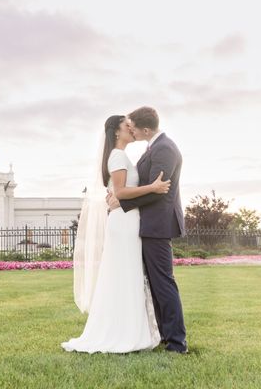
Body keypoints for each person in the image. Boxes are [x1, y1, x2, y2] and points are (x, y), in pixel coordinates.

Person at [62, 115, 170, 353]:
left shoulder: (121, 156)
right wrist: (152, 188)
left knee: (126, 274)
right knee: (126, 273)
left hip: (127, 219)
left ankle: (128, 328)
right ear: (116, 133)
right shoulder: (118, 156)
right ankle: (124, 332)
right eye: (126, 126)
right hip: (124, 224)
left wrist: (121, 198)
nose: (131, 129)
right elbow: (120, 191)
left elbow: (117, 193)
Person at [107, 106, 188, 354]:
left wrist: (122, 201)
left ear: (144, 129)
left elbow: (157, 191)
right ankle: (166, 335)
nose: (131, 131)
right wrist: (118, 194)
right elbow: (147, 185)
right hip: (149, 224)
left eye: (133, 127)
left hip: (158, 224)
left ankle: (176, 342)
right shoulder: (154, 147)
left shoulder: (164, 148)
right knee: (155, 284)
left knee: (163, 283)